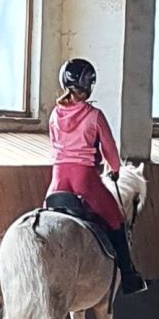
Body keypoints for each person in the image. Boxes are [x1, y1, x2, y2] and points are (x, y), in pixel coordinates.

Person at [46, 58, 147, 294]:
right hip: (84, 181)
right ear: (89, 86)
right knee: (116, 220)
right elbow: (109, 148)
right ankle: (129, 277)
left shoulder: (54, 114)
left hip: (57, 182)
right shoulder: (94, 115)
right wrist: (115, 169)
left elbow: (53, 144)